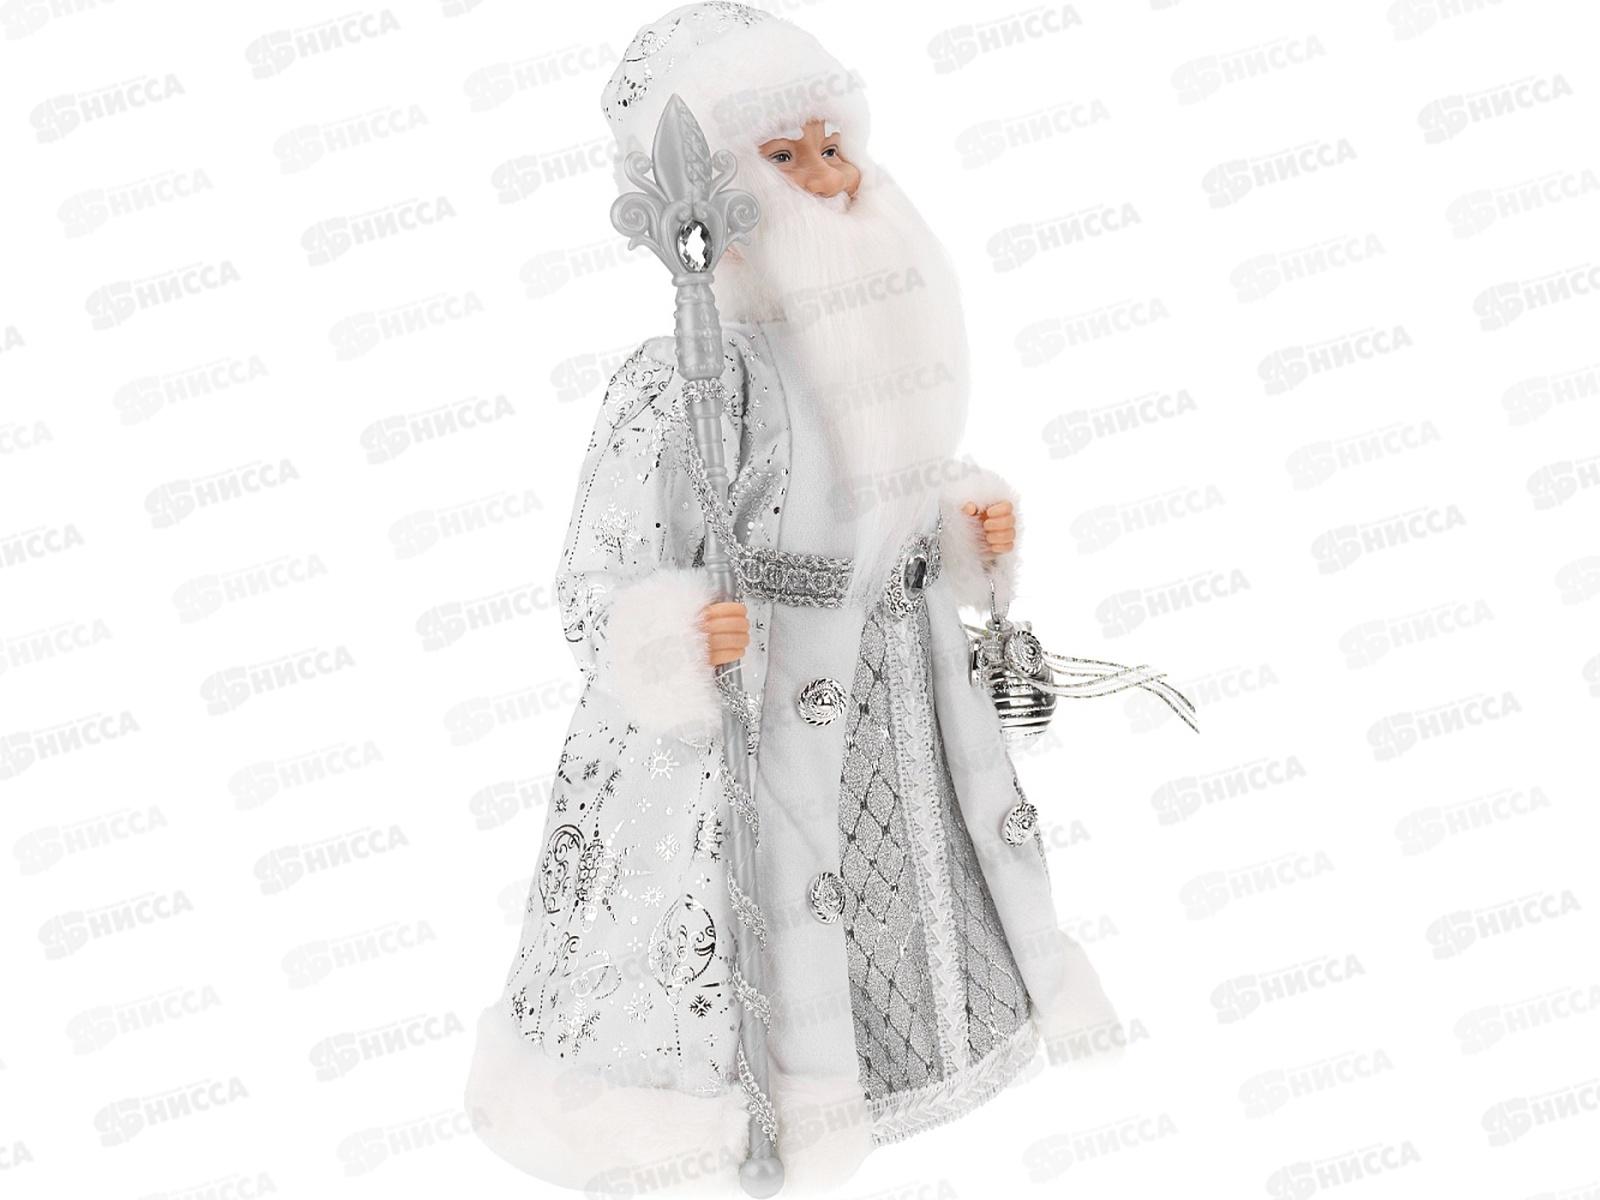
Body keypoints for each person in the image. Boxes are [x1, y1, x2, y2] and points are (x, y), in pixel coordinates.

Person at [464, 4, 1119, 1192]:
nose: (833, 175)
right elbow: (599, 571)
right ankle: (736, 1111)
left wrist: (956, 528)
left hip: (896, 686)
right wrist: (672, 634)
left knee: (901, 869)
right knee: (770, 890)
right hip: (756, 698)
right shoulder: (685, 380)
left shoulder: (866, 350)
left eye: (833, 143)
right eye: (786, 154)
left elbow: (876, 501)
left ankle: (918, 1054)